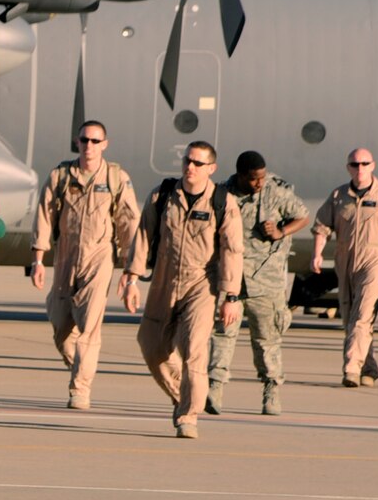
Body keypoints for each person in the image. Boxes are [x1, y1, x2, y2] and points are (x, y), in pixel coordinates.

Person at [121, 140, 242, 439]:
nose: (190, 167)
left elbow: (232, 250)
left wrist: (231, 296)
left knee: (193, 351)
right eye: (187, 161)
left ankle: (188, 415)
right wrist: (132, 278)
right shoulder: (162, 195)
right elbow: (144, 235)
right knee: (151, 345)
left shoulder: (223, 202)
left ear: (211, 168)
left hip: (202, 283)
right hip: (164, 280)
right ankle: (184, 393)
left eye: (198, 163)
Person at [29, 120, 138, 411]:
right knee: (61, 330)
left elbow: (129, 223)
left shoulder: (116, 178)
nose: (89, 146)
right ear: (77, 142)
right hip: (65, 258)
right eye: (84, 140)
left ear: (105, 144)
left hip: (99, 258)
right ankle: (81, 368)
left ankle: (80, 389)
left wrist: (130, 273)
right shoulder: (61, 176)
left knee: (89, 328)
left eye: (95, 141)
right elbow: (44, 215)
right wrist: (38, 260)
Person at [205, 150, 309, 416]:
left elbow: (302, 215)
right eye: (253, 179)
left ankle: (271, 389)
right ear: (240, 176)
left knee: (267, 340)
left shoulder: (275, 190)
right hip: (231, 279)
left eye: (262, 177)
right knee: (222, 335)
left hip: (266, 279)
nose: (259, 183)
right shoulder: (221, 194)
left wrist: (281, 231)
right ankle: (214, 388)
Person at [310, 148, 378, 387]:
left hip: (374, 262)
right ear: (348, 167)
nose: (360, 169)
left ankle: (351, 368)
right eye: (355, 164)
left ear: (373, 166)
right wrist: (317, 254)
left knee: (362, 316)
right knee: (350, 318)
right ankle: (369, 368)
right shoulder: (338, 196)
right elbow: (321, 226)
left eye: (365, 164)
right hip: (345, 263)